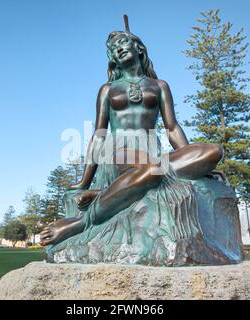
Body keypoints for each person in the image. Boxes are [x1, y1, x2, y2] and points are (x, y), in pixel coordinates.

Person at [40, 19, 223, 246]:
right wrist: (83, 181)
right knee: (151, 168)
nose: (118, 48)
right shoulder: (108, 89)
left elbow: (172, 127)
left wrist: (193, 163)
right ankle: (82, 222)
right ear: (113, 59)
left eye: (123, 41)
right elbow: (99, 134)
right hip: (118, 151)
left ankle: (108, 193)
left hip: (151, 152)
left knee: (212, 151)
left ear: (139, 47)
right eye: (112, 48)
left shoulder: (159, 86)